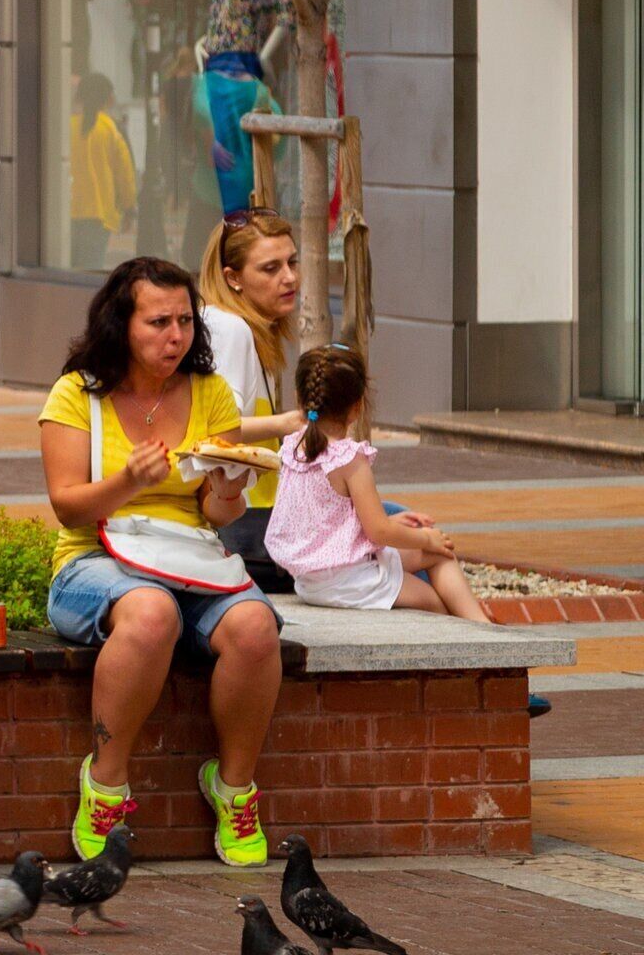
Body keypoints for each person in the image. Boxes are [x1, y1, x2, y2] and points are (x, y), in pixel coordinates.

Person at [39, 255, 277, 866]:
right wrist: (125, 480)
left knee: (255, 627)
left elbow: (218, 513)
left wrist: (227, 489)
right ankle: (107, 785)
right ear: (121, 324)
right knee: (151, 615)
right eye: (157, 323)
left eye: (184, 322)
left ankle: (234, 788)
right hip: (95, 557)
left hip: (189, 553)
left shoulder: (210, 392)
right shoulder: (76, 394)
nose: (175, 337)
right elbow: (67, 508)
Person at [267, 344, 488, 622]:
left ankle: (486, 629)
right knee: (438, 605)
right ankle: (484, 634)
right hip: (349, 581)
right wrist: (424, 537)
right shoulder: (349, 459)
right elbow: (378, 531)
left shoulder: (293, 448)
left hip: (312, 580)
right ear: (357, 406)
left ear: (301, 398)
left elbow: (325, 522)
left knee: (437, 556)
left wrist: (397, 525)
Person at [194, 211, 304, 587]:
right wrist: (288, 424)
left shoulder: (250, 328)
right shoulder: (230, 328)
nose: (289, 277)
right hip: (246, 530)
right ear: (232, 278)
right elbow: (216, 434)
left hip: (260, 524)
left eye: (292, 262)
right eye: (270, 268)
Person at [70, 73, 138, 253]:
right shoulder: (111, 128)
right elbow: (125, 174)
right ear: (108, 98)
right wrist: (129, 207)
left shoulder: (68, 126)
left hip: (69, 211)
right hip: (99, 213)